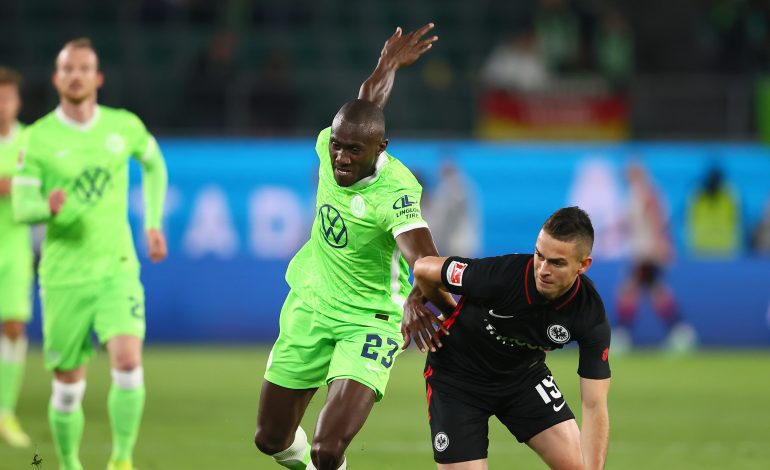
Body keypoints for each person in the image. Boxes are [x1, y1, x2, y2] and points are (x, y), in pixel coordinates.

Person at [253, 24, 453, 470]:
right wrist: (388, 62)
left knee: (327, 449)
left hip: (370, 320)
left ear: (380, 148)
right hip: (312, 303)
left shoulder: (395, 192)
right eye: (337, 146)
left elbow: (425, 259)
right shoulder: (329, 144)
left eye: (353, 151)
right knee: (270, 439)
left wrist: (419, 299)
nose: (341, 158)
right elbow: (368, 100)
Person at [12, 38, 168, 470]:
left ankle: (122, 459)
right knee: (67, 383)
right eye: (68, 69)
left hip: (116, 267)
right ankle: (68, 463)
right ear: (56, 78)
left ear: (97, 78)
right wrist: (47, 208)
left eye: (84, 68)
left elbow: (154, 164)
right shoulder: (37, 138)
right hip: (64, 275)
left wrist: (153, 223)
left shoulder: (123, 126)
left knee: (128, 360)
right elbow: (22, 206)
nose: (76, 75)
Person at [413, 207, 611, 470]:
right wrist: (448, 311)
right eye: (539, 255)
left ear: (583, 265)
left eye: (557, 263)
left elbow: (594, 405)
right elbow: (423, 268)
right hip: (458, 380)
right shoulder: (501, 276)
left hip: (523, 378)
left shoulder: (589, 312)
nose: (543, 270)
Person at [614, 162, 697, 353]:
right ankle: (680, 331)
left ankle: (622, 334)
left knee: (630, 291)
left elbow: (657, 218)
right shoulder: (635, 193)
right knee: (656, 292)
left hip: (647, 251)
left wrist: (661, 243)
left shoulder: (646, 192)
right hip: (641, 250)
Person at [0, 66, 33, 448]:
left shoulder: (29, 141)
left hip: (13, 248)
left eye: (7, 98)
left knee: (13, 327)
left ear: (17, 102)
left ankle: (5, 411)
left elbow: (43, 185)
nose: (2, 105)